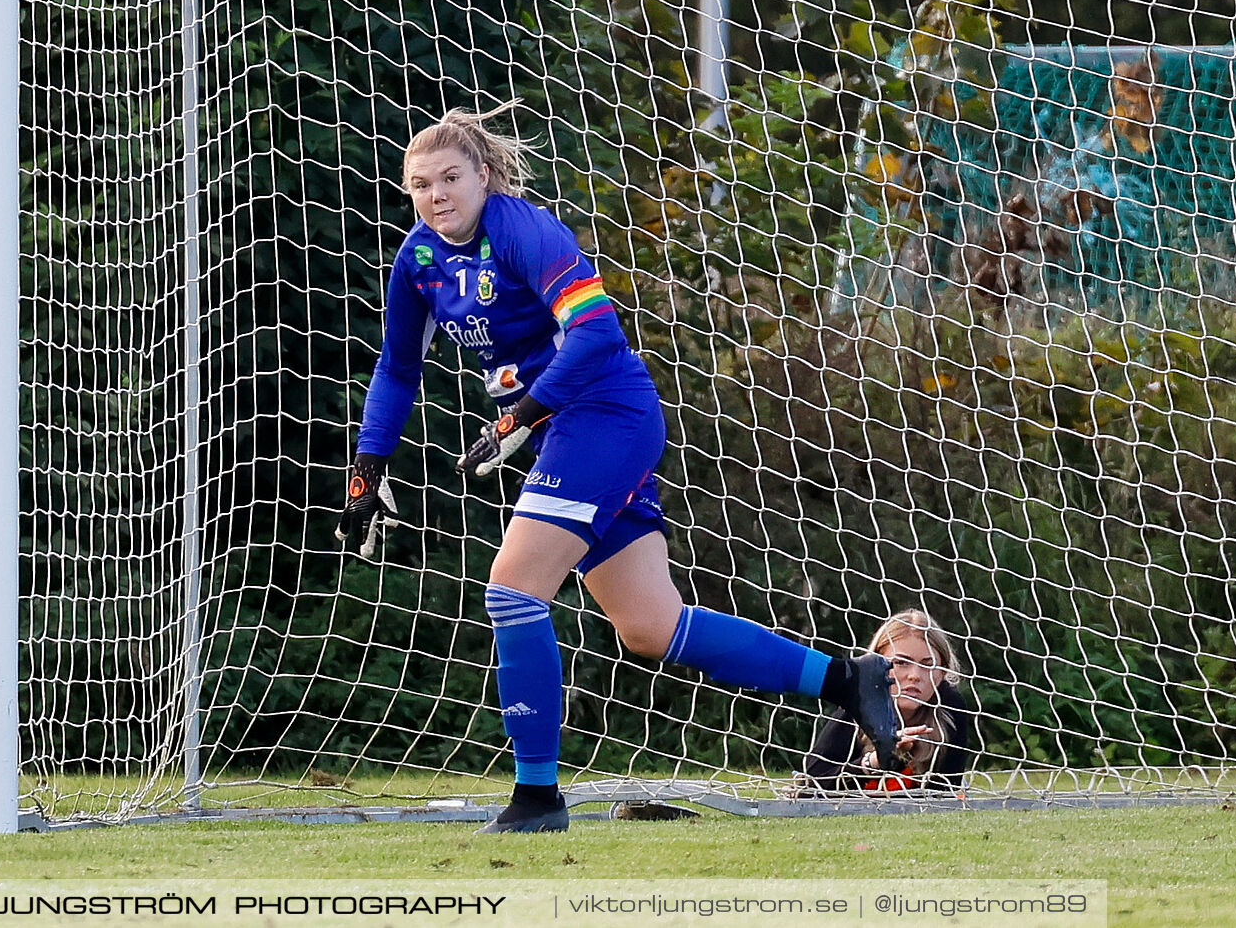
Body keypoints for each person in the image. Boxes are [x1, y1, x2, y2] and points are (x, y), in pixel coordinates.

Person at [337, 103, 903, 833]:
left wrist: (520, 415)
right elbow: (396, 366)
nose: (436, 194)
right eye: (421, 184)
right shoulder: (417, 257)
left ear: (483, 175)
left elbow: (598, 331)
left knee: (512, 590)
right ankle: (847, 679)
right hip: (562, 431)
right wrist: (367, 467)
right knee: (650, 626)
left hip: (605, 414)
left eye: (450, 177)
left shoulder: (521, 228)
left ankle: (537, 797)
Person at [796, 609, 975, 794]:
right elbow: (812, 782)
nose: (915, 676)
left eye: (928, 665)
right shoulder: (858, 701)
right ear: (875, 664)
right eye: (901, 663)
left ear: (942, 673)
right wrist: (877, 760)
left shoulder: (949, 706)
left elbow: (945, 793)